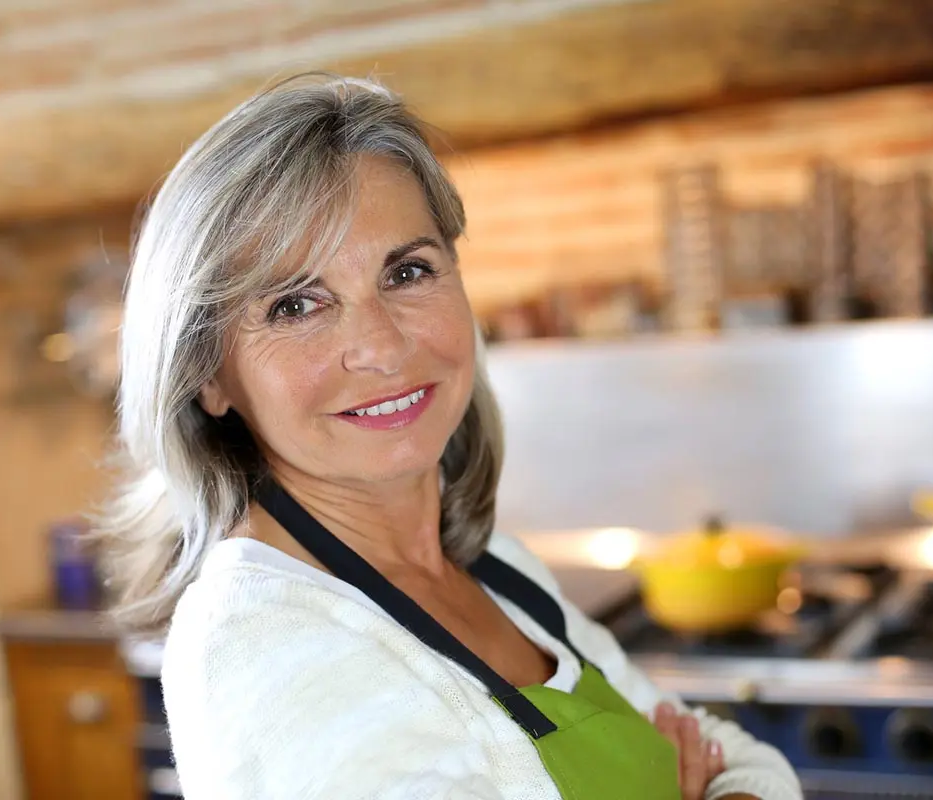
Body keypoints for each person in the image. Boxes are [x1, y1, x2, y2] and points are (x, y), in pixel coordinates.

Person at [96, 72, 802, 800]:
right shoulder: (258, 646)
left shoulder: (497, 568)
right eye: (296, 305)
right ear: (206, 375)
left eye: (407, 271)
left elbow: (744, 762)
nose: (382, 346)